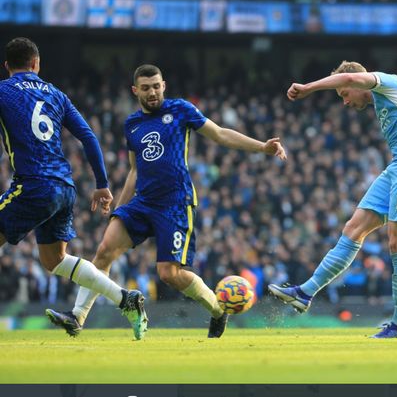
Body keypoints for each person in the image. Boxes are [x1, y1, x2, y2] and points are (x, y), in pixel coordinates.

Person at [46, 64, 287, 338]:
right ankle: (78, 317)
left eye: (157, 86)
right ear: (135, 91)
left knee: (169, 274)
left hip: (175, 204)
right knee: (104, 251)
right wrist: (120, 208)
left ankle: (218, 311)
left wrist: (261, 147)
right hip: (142, 203)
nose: (153, 92)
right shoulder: (132, 124)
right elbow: (135, 170)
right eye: (146, 88)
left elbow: (219, 133)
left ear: (164, 86)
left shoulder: (180, 110)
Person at [268, 61, 397, 338]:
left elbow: (352, 77)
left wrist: (308, 87)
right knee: (353, 228)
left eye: (343, 94)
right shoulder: (383, 101)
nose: (345, 102)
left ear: (355, 82)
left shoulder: (388, 82)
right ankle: (305, 293)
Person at [0, 37, 147, 339]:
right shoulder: (55, 94)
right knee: (54, 261)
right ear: (36, 64)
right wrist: (101, 184)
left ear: (6, 67)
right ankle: (125, 299)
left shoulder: (3, 91)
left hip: (33, 184)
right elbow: (89, 137)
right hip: (64, 188)